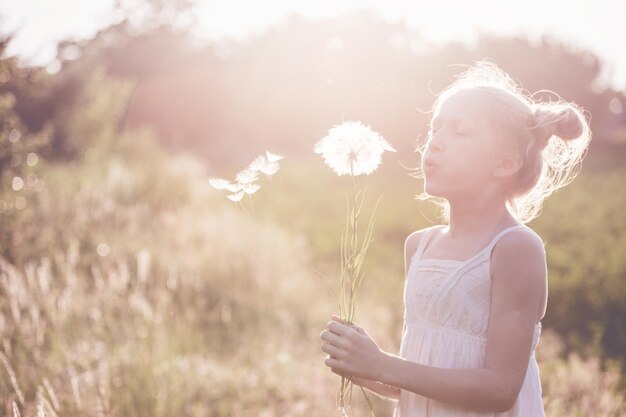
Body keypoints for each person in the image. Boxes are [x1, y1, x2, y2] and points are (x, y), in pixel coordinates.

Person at [319, 60, 592, 416]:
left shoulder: (514, 248)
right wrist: (362, 366)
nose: (435, 143)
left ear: (505, 163)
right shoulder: (419, 246)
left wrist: (383, 364)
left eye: (459, 132)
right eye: (435, 129)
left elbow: (499, 390)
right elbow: (421, 379)